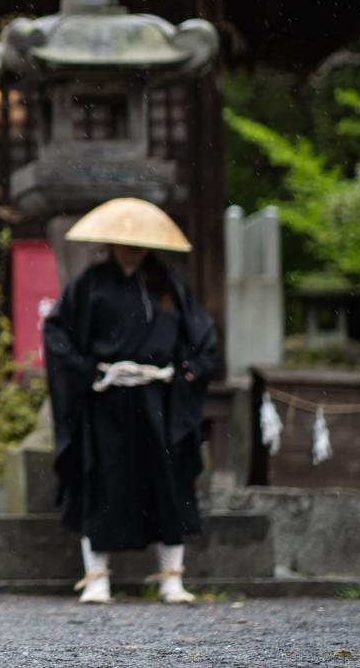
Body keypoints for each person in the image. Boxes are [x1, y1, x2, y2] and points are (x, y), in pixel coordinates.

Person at [42, 197, 219, 605]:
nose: (132, 250)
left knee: (168, 483)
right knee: (101, 483)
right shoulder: (89, 285)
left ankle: (172, 578)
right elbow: (57, 334)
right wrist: (88, 371)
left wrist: (191, 369)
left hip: (159, 401)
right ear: (111, 244)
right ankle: (97, 577)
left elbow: (201, 336)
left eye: (139, 244)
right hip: (107, 401)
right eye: (125, 243)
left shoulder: (168, 285)